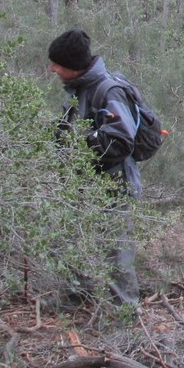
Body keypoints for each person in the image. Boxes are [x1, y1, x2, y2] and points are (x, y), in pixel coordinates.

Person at [48, 29, 140, 307]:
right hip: (84, 186)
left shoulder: (108, 91)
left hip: (114, 188)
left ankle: (125, 318)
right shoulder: (79, 89)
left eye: (57, 64)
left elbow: (122, 140)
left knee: (116, 254)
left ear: (73, 66)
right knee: (71, 241)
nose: (53, 69)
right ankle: (75, 301)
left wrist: (80, 143)